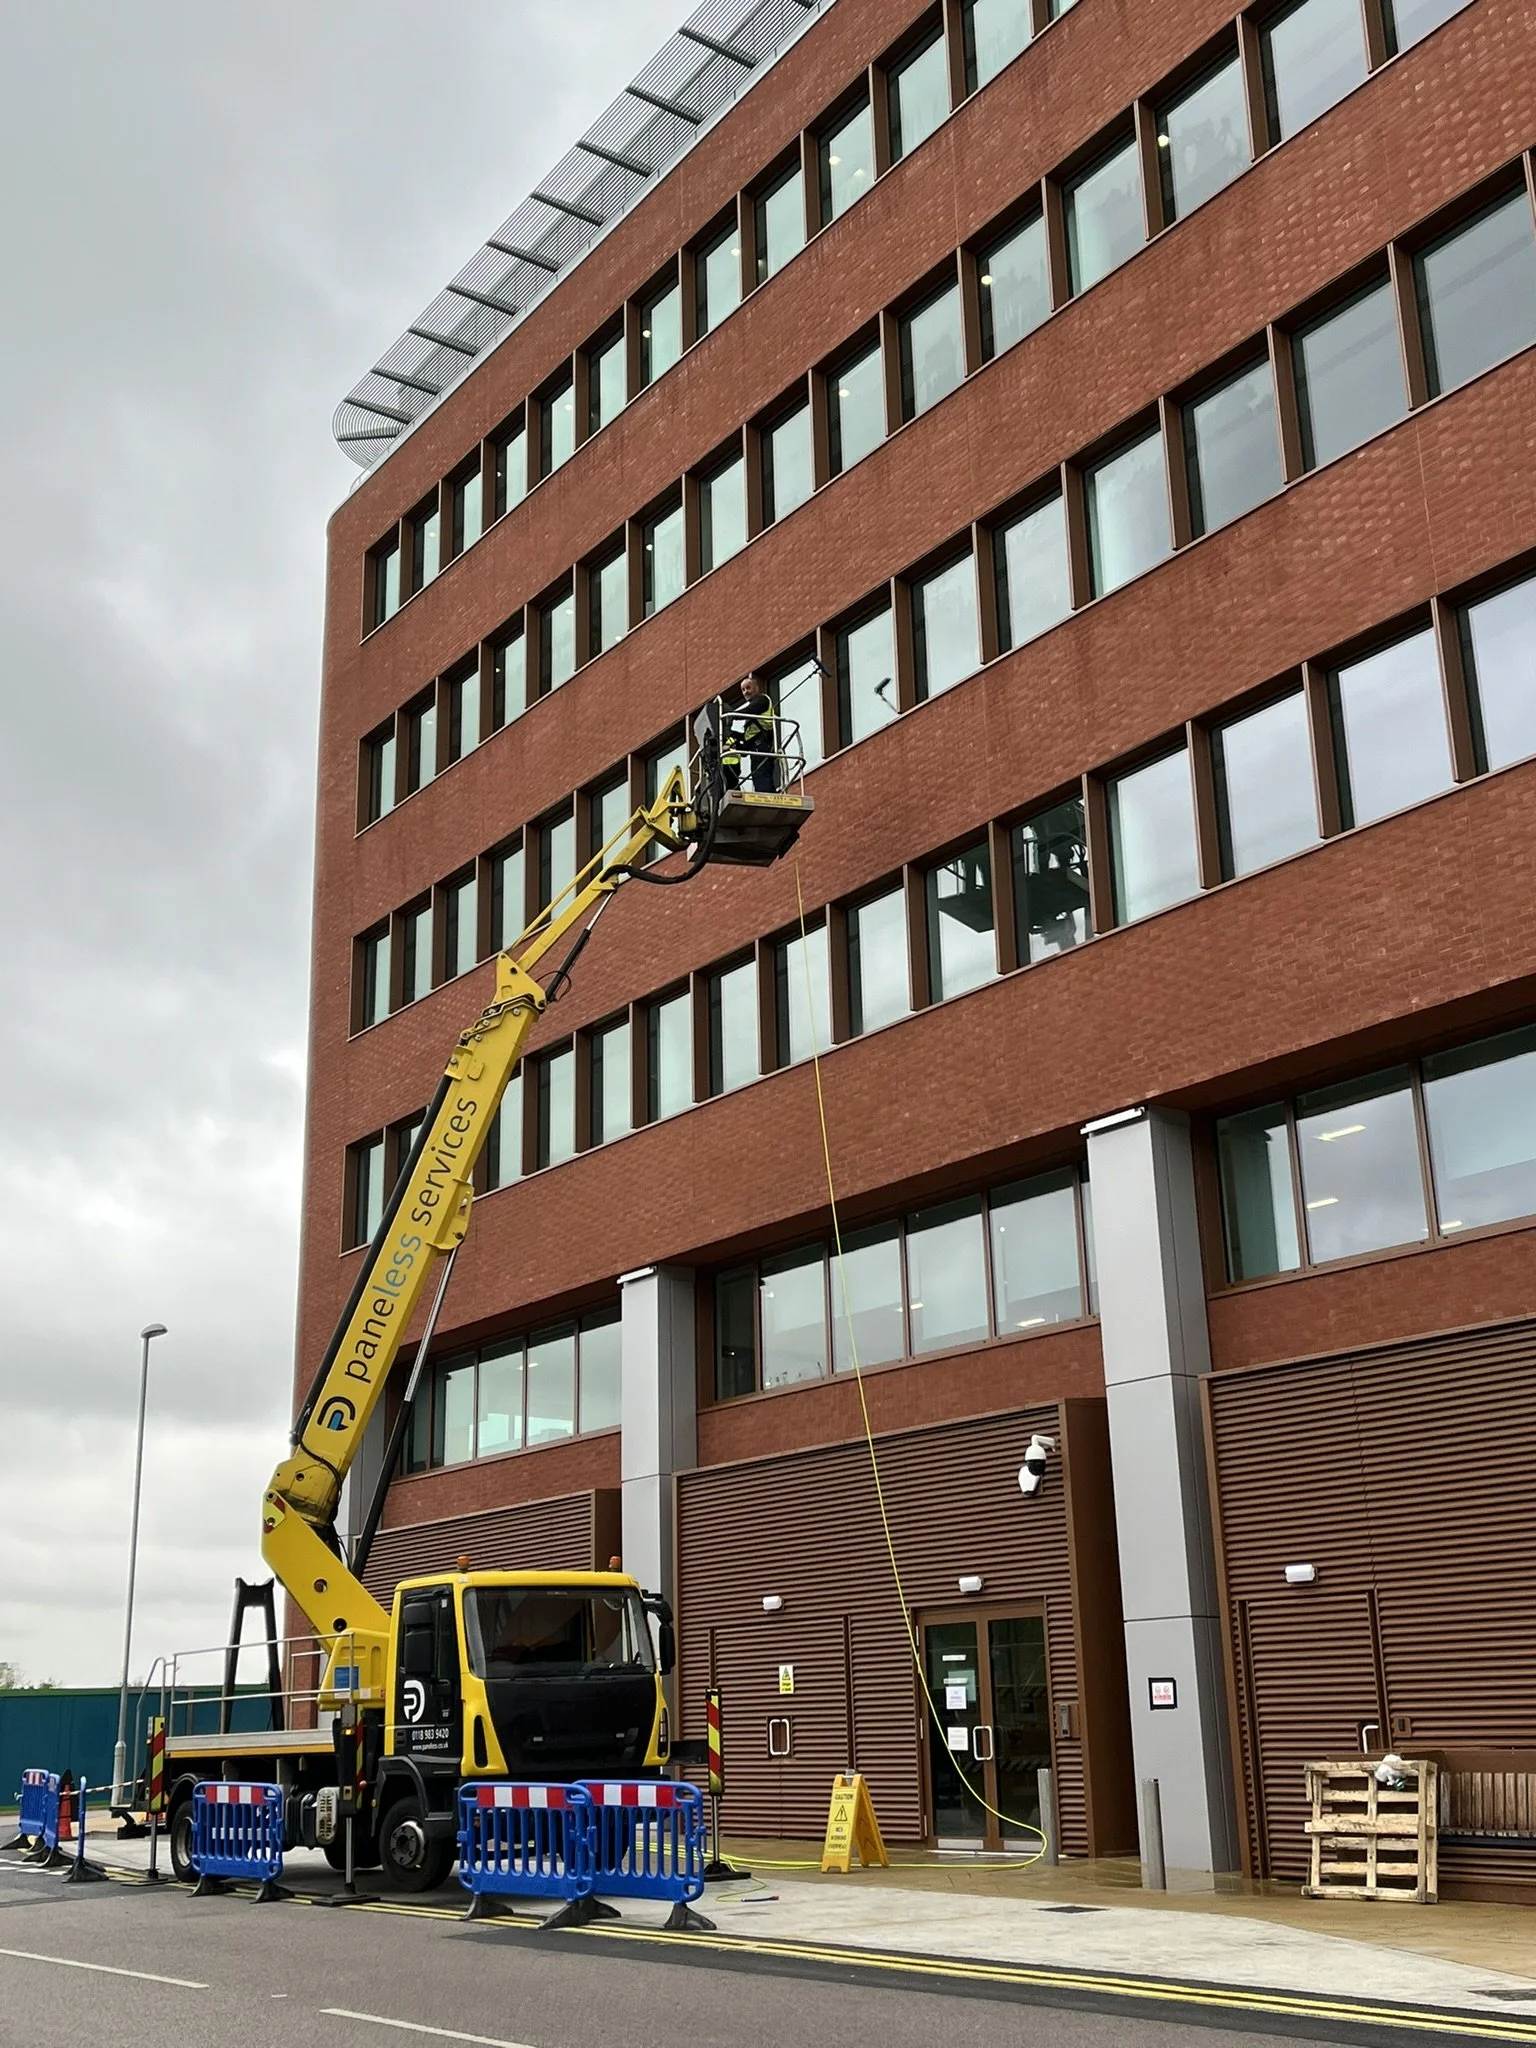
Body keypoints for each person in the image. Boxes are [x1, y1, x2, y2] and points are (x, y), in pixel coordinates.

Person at [721, 677, 779, 793]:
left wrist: (730, 715)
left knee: (761, 775)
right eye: (743, 690)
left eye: (748, 688)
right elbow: (747, 744)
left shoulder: (762, 700)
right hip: (757, 747)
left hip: (763, 745)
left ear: (756, 688)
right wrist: (731, 735)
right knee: (758, 776)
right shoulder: (752, 720)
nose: (745, 692)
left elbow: (748, 710)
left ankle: (766, 799)